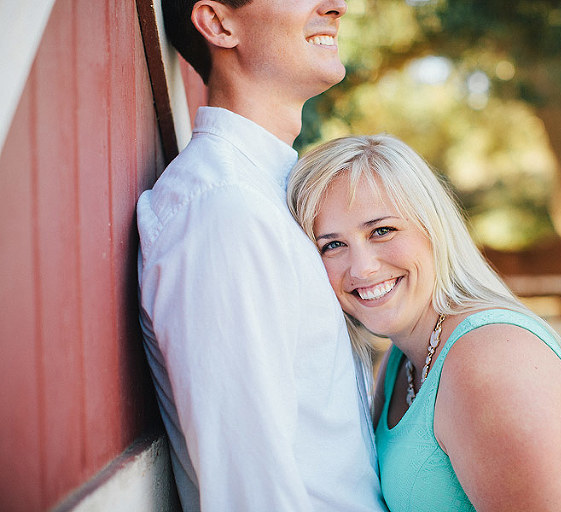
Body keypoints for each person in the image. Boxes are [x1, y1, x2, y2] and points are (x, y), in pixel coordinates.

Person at [136, 1, 386, 510]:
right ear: (218, 23)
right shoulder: (225, 210)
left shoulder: (270, 193)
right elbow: (250, 492)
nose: (336, 5)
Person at [288, 134, 561, 511]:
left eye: (382, 231)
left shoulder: (489, 363)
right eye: (332, 245)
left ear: (433, 228)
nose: (362, 267)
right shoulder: (399, 361)